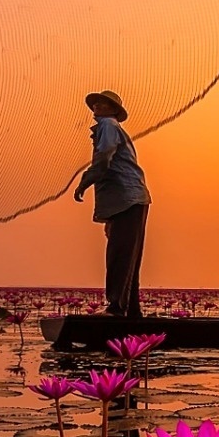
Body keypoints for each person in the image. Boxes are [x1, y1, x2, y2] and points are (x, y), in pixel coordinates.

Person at [73, 90, 150, 317]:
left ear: (112, 109)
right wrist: (110, 218)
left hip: (129, 199)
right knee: (128, 257)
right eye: (96, 102)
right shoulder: (108, 128)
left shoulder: (108, 125)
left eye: (103, 103)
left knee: (120, 255)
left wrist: (84, 182)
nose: (97, 105)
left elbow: (104, 158)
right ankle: (132, 313)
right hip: (126, 201)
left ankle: (117, 309)